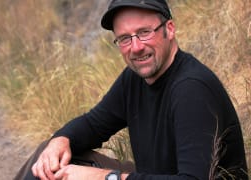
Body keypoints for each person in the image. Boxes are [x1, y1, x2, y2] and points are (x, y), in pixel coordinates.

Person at [15, 0, 248, 179]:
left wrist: (107, 177)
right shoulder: (134, 79)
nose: (136, 47)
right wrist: (59, 140)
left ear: (170, 29)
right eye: (124, 38)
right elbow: (93, 125)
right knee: (49, 159)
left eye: (144, 32)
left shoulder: (192, 89)